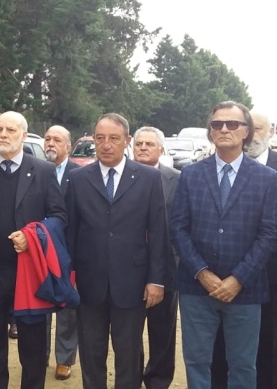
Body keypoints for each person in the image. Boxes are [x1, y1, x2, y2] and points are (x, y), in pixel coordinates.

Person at [171, 101, 277, 389]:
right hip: (197, 288)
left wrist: (237, 279)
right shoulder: (191, 174)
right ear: (210, 131)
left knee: (243, 365)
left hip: (245, 291)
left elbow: (269, 234)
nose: (224, 129)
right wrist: (202, 273)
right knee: (196, 362)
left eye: (232, 124)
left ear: (246, 131)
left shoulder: (267, 179)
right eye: (217, 124)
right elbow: (178, 228)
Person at [0, 111, 66, 389]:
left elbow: (58, 217)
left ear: (24, 135)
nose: (3, 134)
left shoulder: (42, 170)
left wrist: (33, 237)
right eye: (0, 129)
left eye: (11, 130)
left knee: (32, 347)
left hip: (30, 274)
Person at [67, 115, 168, 389]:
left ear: (127, 141)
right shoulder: (78, 179)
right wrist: (68, 277)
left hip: (133, 284)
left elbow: (158, 232)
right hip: (89, 284)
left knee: (128, 356)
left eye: (113, 138)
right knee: (91, 353)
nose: (106, 145)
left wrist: (156, 280)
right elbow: (71, 232)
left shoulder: (148, 178)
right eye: (100, 138)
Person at [210, 112, 277, 389]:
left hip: (269, 274)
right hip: (221, 275)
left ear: (269, 131)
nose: (252, 136)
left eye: (257, 128)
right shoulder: (222, 164)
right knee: (221, 343)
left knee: (268, 341)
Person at [132, 126, 181, 389]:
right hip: (130, 267)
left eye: (149, 144)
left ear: (161, 150)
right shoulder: (123, 177)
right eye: (138, 144)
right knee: (129, 330)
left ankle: (158, 380)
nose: (142, 148)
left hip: (167, 269)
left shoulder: (177, 179)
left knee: (163, 330)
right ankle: (132, 375)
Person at [43, 125, 80, 381]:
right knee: (40, 303)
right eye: (47, 138)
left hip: (69, 249)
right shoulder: (34, 170)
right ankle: (39, 353)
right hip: (40, 250)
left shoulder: (79, 175)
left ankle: (64, 358)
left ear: (68, 146)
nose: (50, 143)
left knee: (67, 306)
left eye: (57, 139)